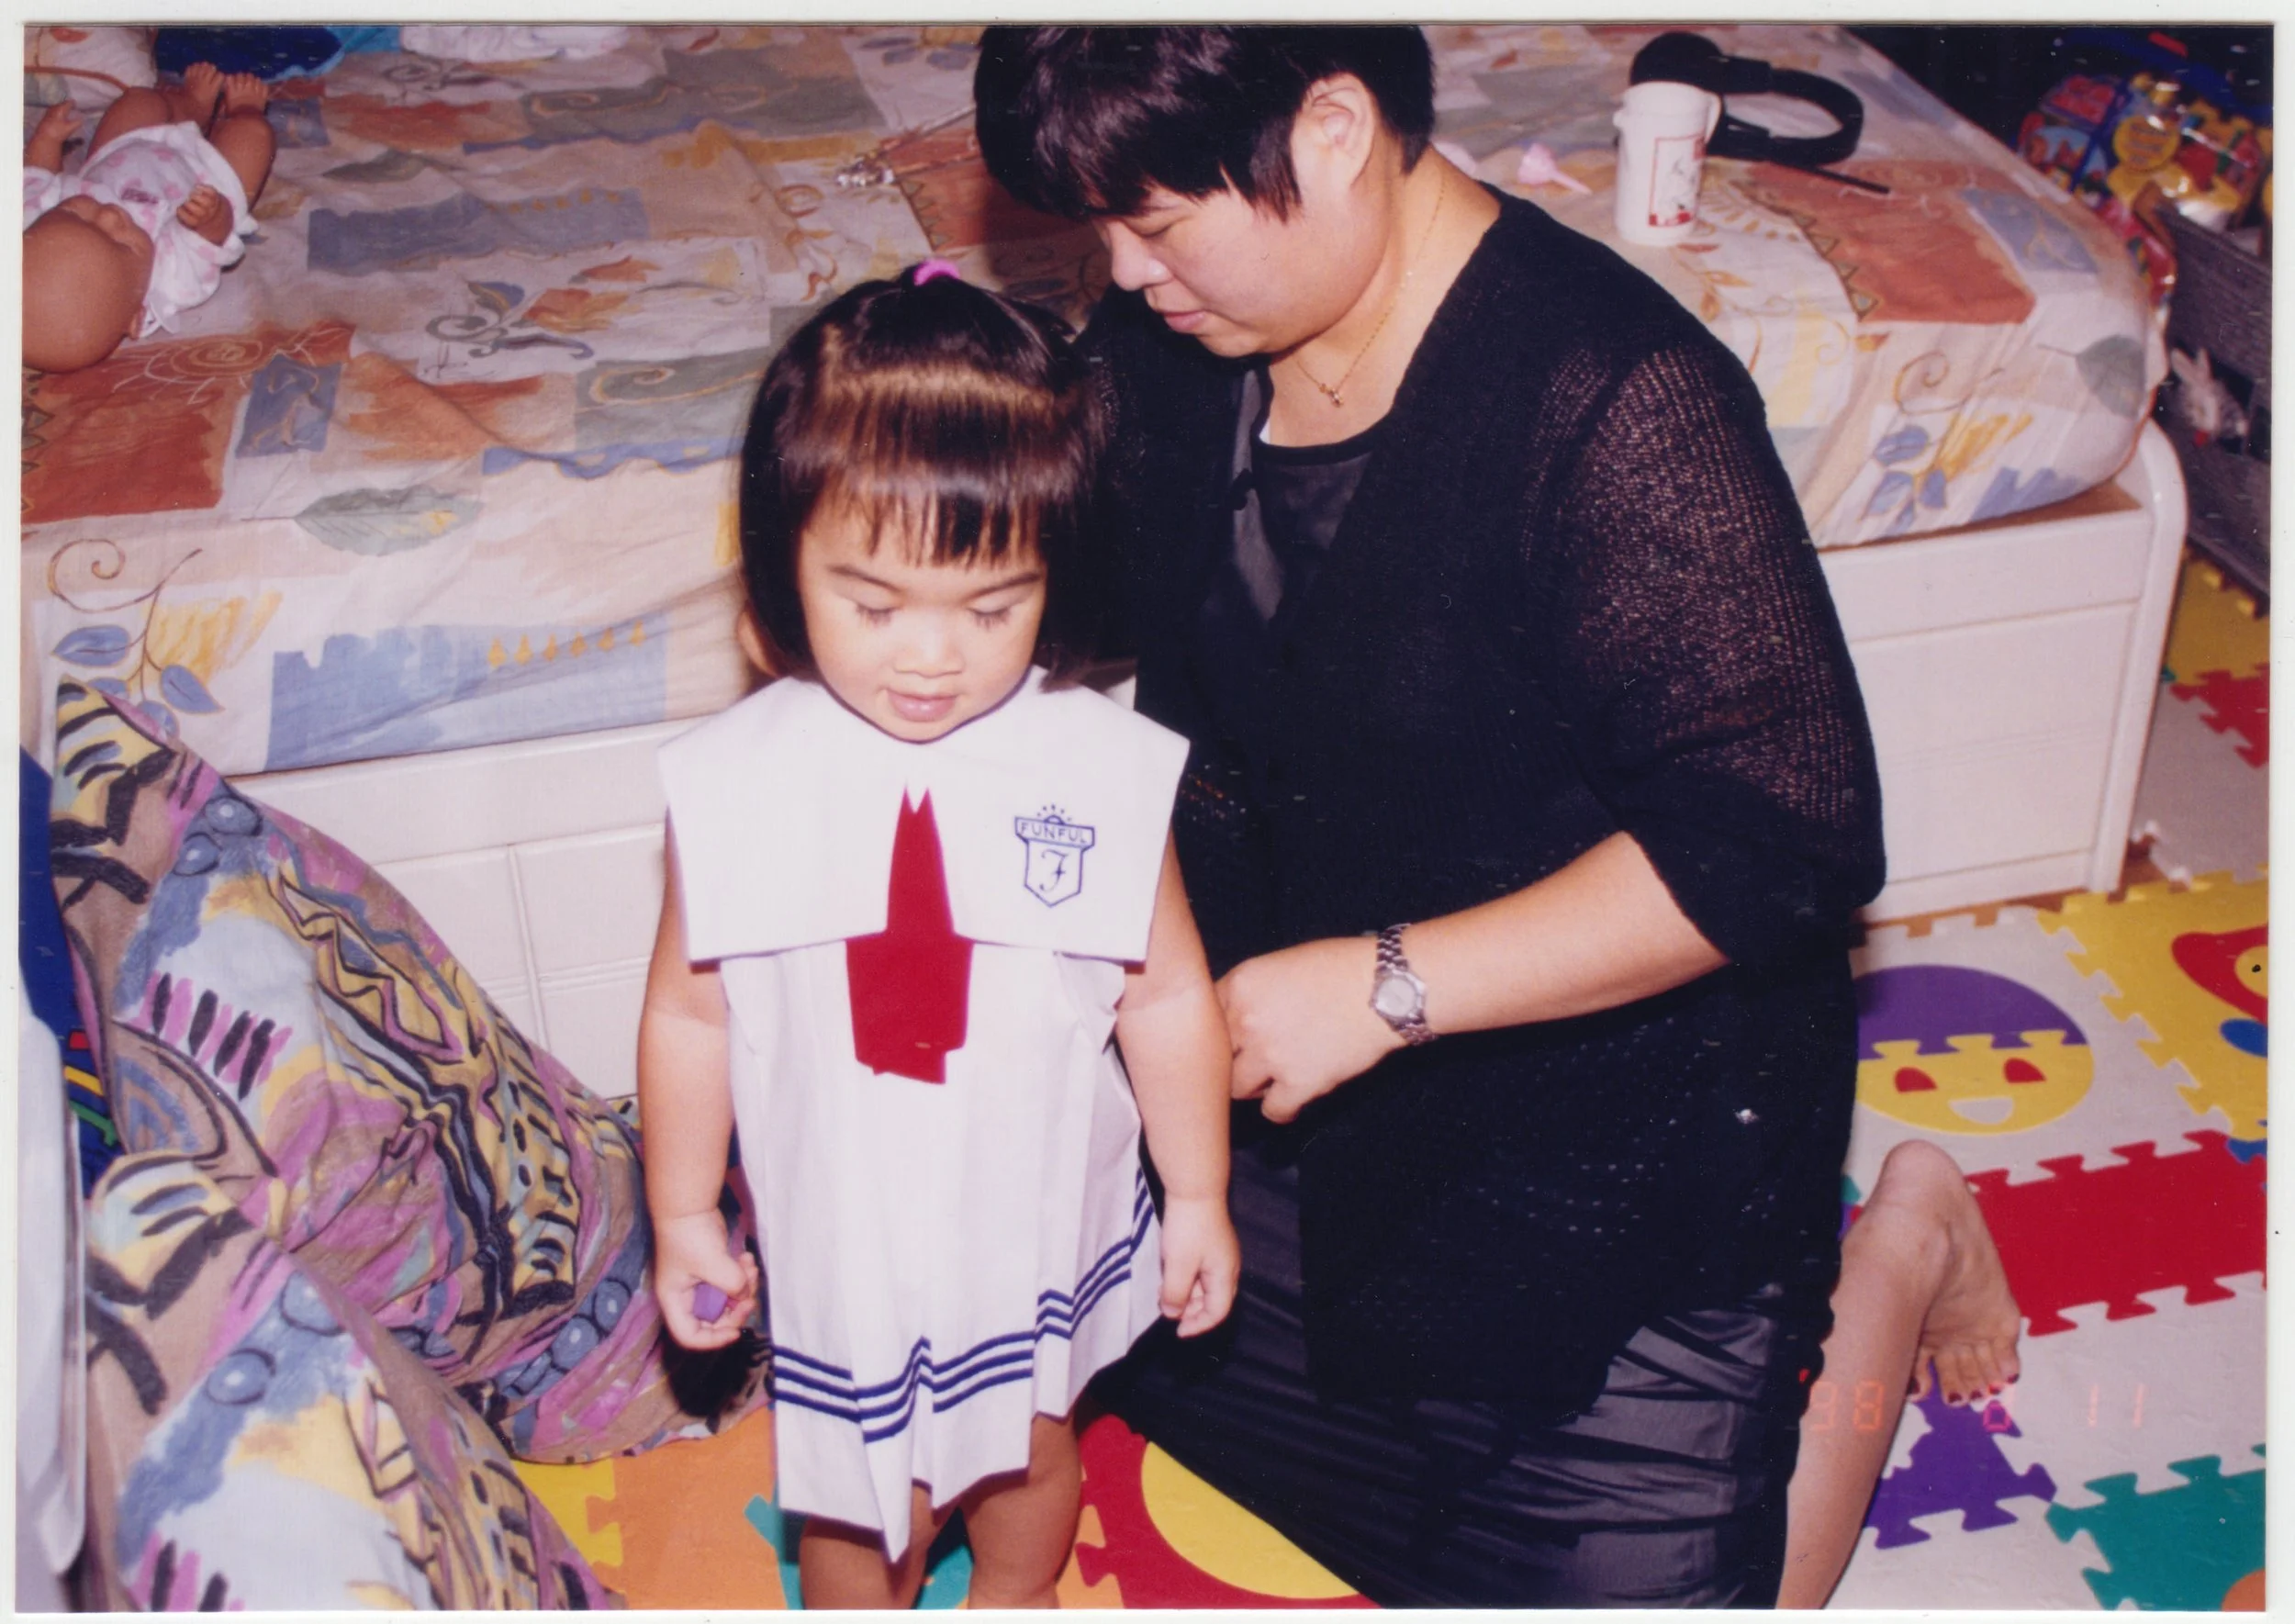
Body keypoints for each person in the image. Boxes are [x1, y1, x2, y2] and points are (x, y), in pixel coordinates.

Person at [976, 26, 2016, 1607]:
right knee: (1046, 1354)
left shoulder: (1617, 401)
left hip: (1605, 1128)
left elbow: (1785, 843)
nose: (1121, 277)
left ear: (1331, 130)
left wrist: (1390, 984)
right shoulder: (1178, 357)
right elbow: (1069, 605)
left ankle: (1906, 1239)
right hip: (1295, 1096)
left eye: (1157, 222)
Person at [638, 262, 1242, 1609]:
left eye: (991, 607)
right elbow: (690, 1011)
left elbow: (1167, 998)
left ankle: (1015, 1596)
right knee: (863, 1496)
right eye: (875, 603)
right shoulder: (738, 783)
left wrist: (1195, 1191)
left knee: (1030, 1448)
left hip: (1029, 1206)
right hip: (844, 1219)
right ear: (783, 567)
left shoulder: (1095, 766)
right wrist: (682, 1209)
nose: (932, 657)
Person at [23, 61, 274, 373]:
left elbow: (35, 182)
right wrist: (211, 218)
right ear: (138, 316)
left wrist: (46, 141)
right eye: (122, 244)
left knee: (138, 100)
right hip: (205, 179)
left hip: (120, 151)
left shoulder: (32, 227)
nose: (111, 216)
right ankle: (243, 111)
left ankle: (191, 106)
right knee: (253, 137)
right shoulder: (167, 280)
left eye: (74, 212)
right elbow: (209, 243)